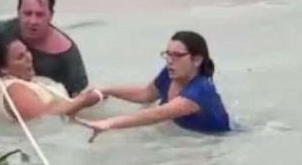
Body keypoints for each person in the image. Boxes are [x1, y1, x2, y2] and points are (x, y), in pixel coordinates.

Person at [72, 31, 230, 140]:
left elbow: (157, 114)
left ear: (197, 60)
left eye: (177, 55)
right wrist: (106, 90)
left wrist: (108, 123)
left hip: (211, 142)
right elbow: (146, 94)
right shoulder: (171, 73)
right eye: (167, 54)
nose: (169, 60)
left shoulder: (199, 91)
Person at [0, 36, 101, 122]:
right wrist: (83, 100)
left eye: (27, 51)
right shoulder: (15, 90)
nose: (29, 58)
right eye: (20, 57)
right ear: (3, 68)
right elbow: (43, 117)